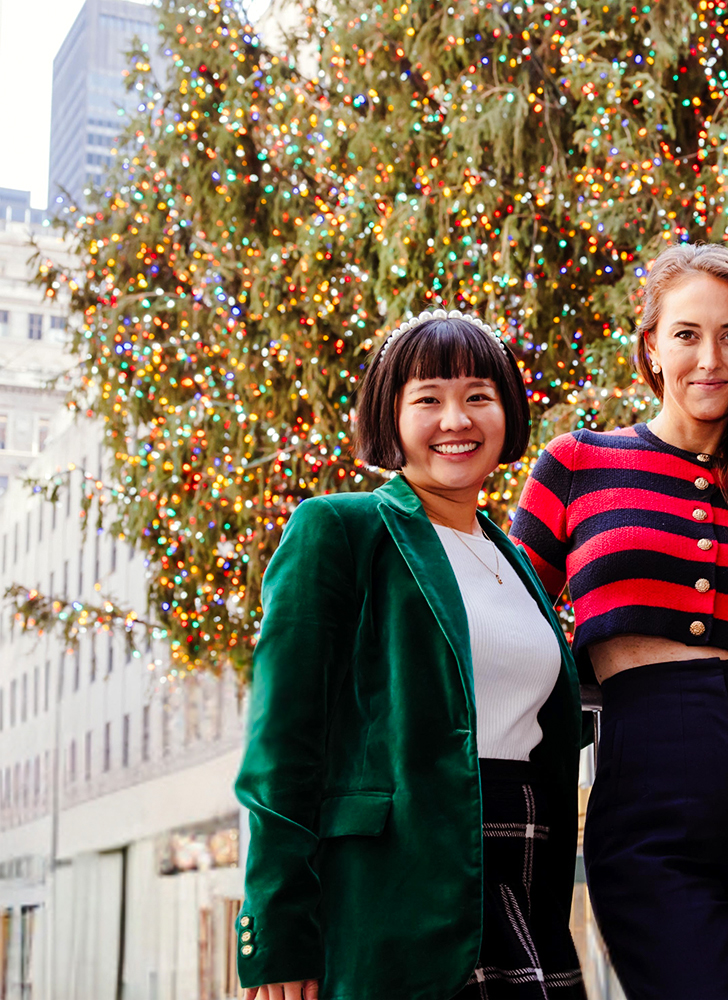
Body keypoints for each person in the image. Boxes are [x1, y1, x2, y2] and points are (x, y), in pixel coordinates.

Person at [510, 244, 728, 1000]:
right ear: (652, 349)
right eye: (688, 334)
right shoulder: (576, 463)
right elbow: (511, 620)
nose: (712, 358)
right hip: (647, 772)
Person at [235, 311, 586, 1000]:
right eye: (428, 398)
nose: (456, 418)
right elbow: (281, 745)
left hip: (525, 879)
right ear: (390, 417)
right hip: (396, 892)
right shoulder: (339, 529)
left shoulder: (515, 562)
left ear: (506, 412)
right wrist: (275, 928)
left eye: (478, 395)